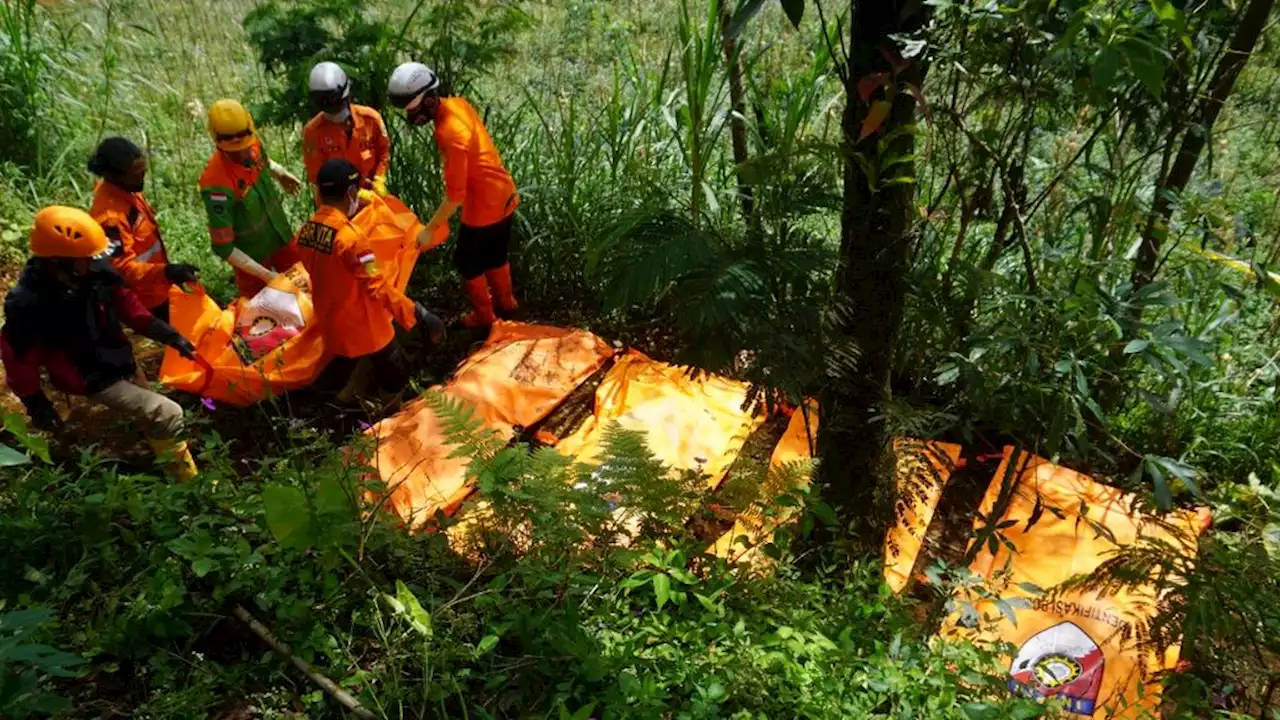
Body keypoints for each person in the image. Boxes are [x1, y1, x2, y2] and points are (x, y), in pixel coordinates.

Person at [1, 206, 200, 481]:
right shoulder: (28, 304)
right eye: (85, 258)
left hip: (119, 357)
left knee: (150, 416)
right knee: (167, 413)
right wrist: (36, 404)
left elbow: (132, 310)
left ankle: (163, 460)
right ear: (59, 261)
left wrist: (171, 336)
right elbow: (19, 359)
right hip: (88, 376)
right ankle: (188, 480)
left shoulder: (94, 272)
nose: (93, 261)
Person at [294, 159, 446, 403]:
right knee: (396, 374)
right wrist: (417, 314)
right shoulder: (352, 240)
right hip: (364, 326)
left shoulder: (305, 232)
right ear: (351, 192)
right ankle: (385, 414)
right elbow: (377, 285)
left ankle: (338, 398)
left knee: (343, 364)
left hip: (329, 321)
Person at [387, 62, 520, 328]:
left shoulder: (450, 133)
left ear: (430, 100)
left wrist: (430, 228)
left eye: (412, 109)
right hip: (504, 193)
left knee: (468, 264)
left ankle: (486, 317)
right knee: (496, 254)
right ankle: (508, 304)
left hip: (483, 205)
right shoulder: (458, 103)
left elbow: (455, 196)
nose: (411, 116)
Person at [88, 137, 200, 324]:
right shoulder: (111, 219)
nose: (142, 180)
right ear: (114, 175)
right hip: (145, 297)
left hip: (158, 286)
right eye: (135, 175)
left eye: (143, 172)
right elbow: (123, 270)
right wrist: (166, 272)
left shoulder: (127, 190)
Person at [199, 98, 303, 299]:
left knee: (305, 290)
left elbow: (263, 161)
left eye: (245, 145)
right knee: (265, 314)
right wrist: (266, 275)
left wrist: (279, 173)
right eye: (235, 151)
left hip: (280, 236)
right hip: (253, 260)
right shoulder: (217, 184)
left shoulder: (251, 142)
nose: (244, 152)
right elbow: (224, 247)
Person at [302, 62, 391, 202]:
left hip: (374, 198)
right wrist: (352, 196)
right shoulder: (313, 133)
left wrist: (380, 178)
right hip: (338, 205)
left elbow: (384, 151)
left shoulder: (371, 119)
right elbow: (317, 179)